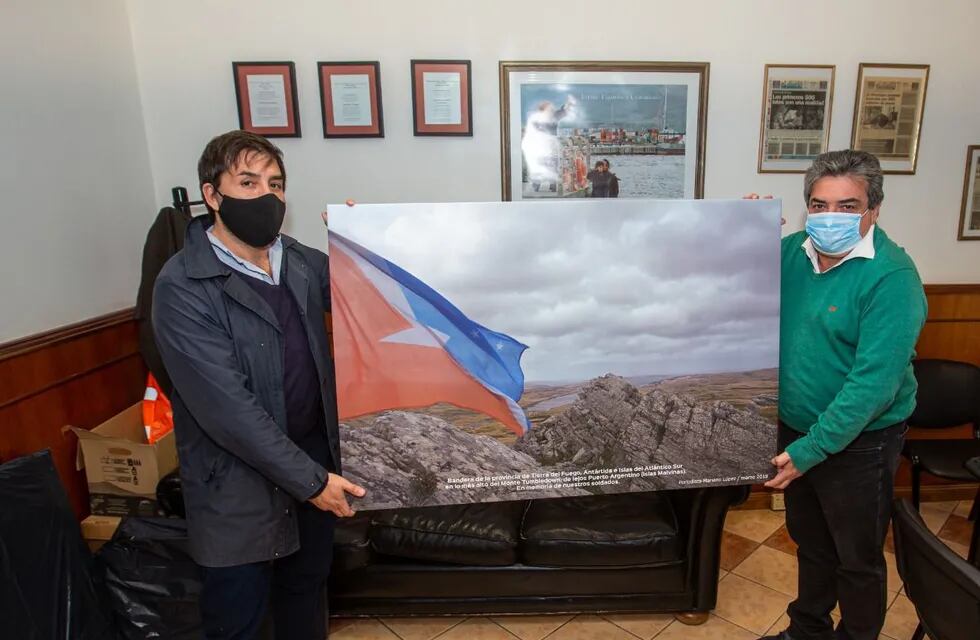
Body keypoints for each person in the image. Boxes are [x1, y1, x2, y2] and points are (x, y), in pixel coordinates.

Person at [152, 130, 366, 640]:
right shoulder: (181, 286)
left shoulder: (299, 260)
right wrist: (312, 483)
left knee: (305, 593)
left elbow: (369, 297)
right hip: (236, 478)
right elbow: (228, 412)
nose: (265, 195)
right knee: (239, 616)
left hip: (313, 454)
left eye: (275, 183)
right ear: (212, 195)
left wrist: (366, 239)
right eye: (247, 182)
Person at [750, 149, 927, 640]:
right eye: (818, 204)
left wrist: (811, 450)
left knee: (857, 556)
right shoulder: (789, 252)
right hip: (797, 428)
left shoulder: (892, 279)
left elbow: (873, 386)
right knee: (810, 542)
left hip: (861, 442)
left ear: (874, 209)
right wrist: (747, 229)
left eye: (847, 206)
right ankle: (807, 630)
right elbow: (713, 274)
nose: (830, 217)